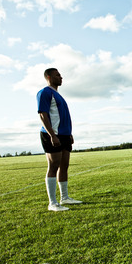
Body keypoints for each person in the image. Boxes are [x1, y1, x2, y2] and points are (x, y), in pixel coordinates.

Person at [37, 68, 82, 211]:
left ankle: (65, 198)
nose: (61, 77)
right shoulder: (45, 92)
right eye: (57, 75)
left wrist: (69, 133)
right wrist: (52, 135)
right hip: (52, 134)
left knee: (64, 165)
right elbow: (43, 115)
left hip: (64, 135)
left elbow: (64, 116)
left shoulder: (59, 95)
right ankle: (52, 203)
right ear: (49, 77)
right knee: (53, 166)